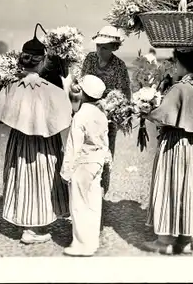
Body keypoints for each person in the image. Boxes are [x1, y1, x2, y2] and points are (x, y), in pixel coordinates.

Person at [0, 23, 71, 244]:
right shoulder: (52, 91)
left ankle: (26, 222)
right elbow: (64, 118)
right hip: (45, 144)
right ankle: (33, 229)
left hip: (19, 143)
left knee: (22, 177)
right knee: (42, 177)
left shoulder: (10, 87)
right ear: (43, 61)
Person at [143, 48, 193, 255]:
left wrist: (145, 111)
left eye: (176, 62)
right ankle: (184, 240)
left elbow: (163, 115)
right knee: (188, 190)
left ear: (182, 64)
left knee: (170, 187)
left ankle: (165, 241)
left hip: (176, 144)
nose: (174, 66)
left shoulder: (180, 87)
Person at [69, 25, 131, 197]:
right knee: (79, 152)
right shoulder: (89, 59)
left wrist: (107, 105)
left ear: (114, 47)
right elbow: (81, 82)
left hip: (106, 121)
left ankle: (99, 195)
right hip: (85, 115)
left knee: (104, 156)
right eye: (98, 46)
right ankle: (80, 194)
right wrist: (75, 88)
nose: (99, 50)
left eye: (104, 47)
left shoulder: (120, 66)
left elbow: (124, 96)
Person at [61, 75, 111, 257]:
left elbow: (73, 146)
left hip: (82, 163)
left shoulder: (80, 115)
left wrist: (66, 171)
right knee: (93, 202)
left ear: (82, 92)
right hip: (97, 161)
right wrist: (105, 160)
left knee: (79, 204)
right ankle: (92, 241)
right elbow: (105, 142)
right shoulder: (101, 114)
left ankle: (81, 245)